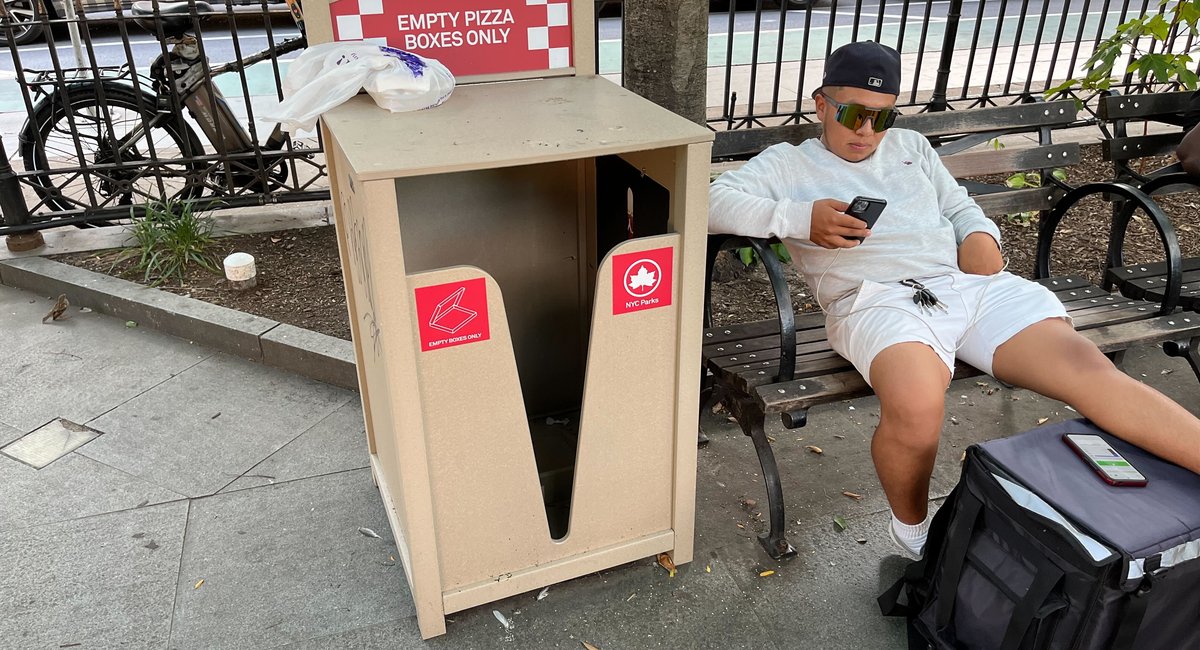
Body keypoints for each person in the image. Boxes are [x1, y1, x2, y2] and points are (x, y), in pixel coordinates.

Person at [709, 41, 1200, 557]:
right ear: (821, 105)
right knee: (918, 405)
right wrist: (798, 218)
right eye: (852, 113)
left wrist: (980, 236)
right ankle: (914, 537)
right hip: (875, 301)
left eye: (882, 117)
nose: (866, 131)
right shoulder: (788, 164)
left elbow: (959, 205)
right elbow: (712, 201)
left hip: (966, 288)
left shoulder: (909, 148)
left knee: (1091, 372)